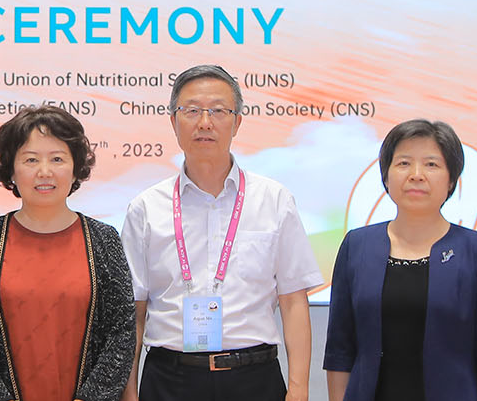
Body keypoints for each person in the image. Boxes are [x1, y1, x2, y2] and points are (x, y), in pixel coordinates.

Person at [120, 64, 325, 401]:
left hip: (254, 378)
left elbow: (293, 301)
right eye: (191, 111)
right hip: (170, 379)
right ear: (173, 122)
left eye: (218, 110)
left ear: (237, 122)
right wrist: (129, 392)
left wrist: (299, 389)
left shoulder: (274, 200)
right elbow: (135, 311)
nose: (205, 122)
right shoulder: (145, 208)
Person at [322, 119, 477, 401]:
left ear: (451, 180)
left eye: (431, 164)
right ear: (386, 177)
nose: (416, 175)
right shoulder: (357, 246)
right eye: (403, 163)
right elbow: (340, 351)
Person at [0, 105, 136, 401]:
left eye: (57, 159)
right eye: (31, 159)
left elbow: (121, 332)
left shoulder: (103, 240)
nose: (44, 172)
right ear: (11, 170)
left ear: (76, 168)